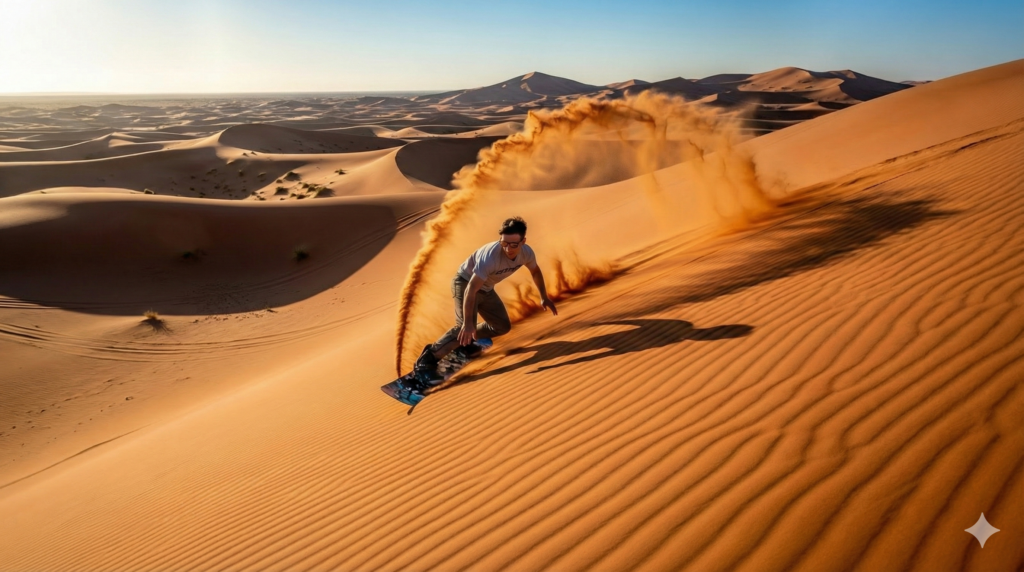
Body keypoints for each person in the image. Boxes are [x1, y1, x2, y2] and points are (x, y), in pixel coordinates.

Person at [406, 216, 558, 394]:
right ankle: (427, 360)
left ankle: (466, 341)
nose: (508, 249)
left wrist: (543, 296)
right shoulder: (491, 256)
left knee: (501, 327)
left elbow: (535, 270)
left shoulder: (527, 253)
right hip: (465, 282)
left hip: (486, 288)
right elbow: (471, 289)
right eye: (504, 243)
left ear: (523, 241)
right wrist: (468, 324)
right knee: (463, 326)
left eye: (513, 244)